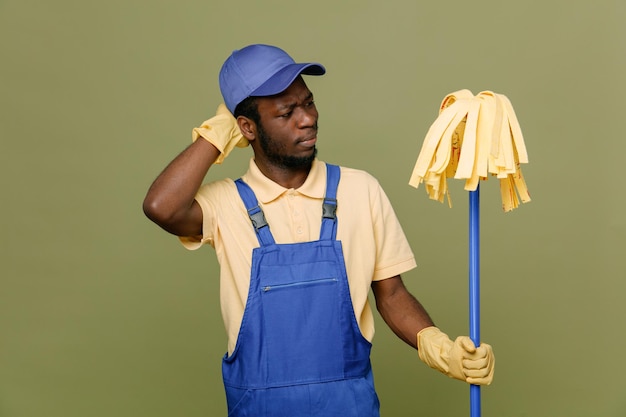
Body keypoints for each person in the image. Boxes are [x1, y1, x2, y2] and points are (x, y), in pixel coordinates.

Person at [143, 44, 494, 417]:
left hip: (349, 405)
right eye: (286, 112)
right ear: (247, 128)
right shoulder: (225, 205)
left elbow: (391, 294)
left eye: (308, 103)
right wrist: (214, 137)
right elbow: (161, 207)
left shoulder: (360, 190)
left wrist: (439, 347)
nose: (307, 119)